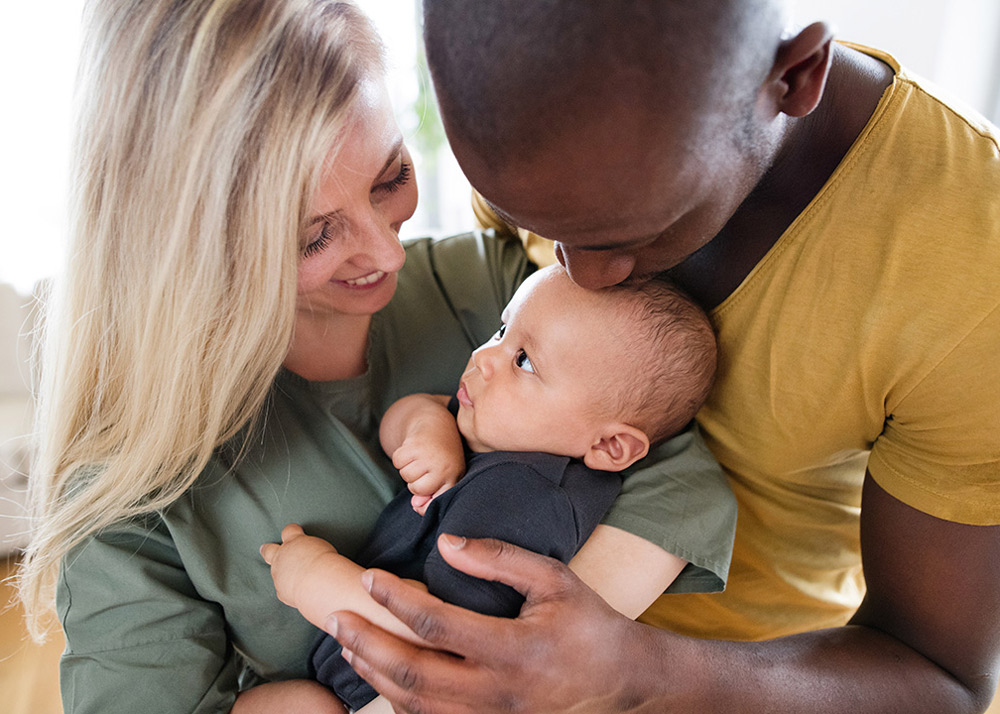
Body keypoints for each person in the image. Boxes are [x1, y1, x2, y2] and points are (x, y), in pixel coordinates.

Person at [15, 2, 736, 713]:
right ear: (189, 242)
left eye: (391, 177)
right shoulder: (131, 481)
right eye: (314, 237)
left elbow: (676, 473)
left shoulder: (494, 290)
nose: (388, 252)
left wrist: (534, 670)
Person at [326, 1, 1000, 712]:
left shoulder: (970, 270)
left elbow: (946, 679)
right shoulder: (533, 117)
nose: (579, 275)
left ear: (794, 77)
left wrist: (637, 669)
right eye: (541, 227)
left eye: (628, 234)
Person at [259, 263, 719, 713]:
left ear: (610, 445)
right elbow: (406, 413)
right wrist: (427, 427)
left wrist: (316, 580)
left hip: (393, 692)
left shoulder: (525, 494)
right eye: (502, 332)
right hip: (348, 681)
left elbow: (444, 635)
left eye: (524, 362)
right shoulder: (500, 431)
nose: (484, 357)